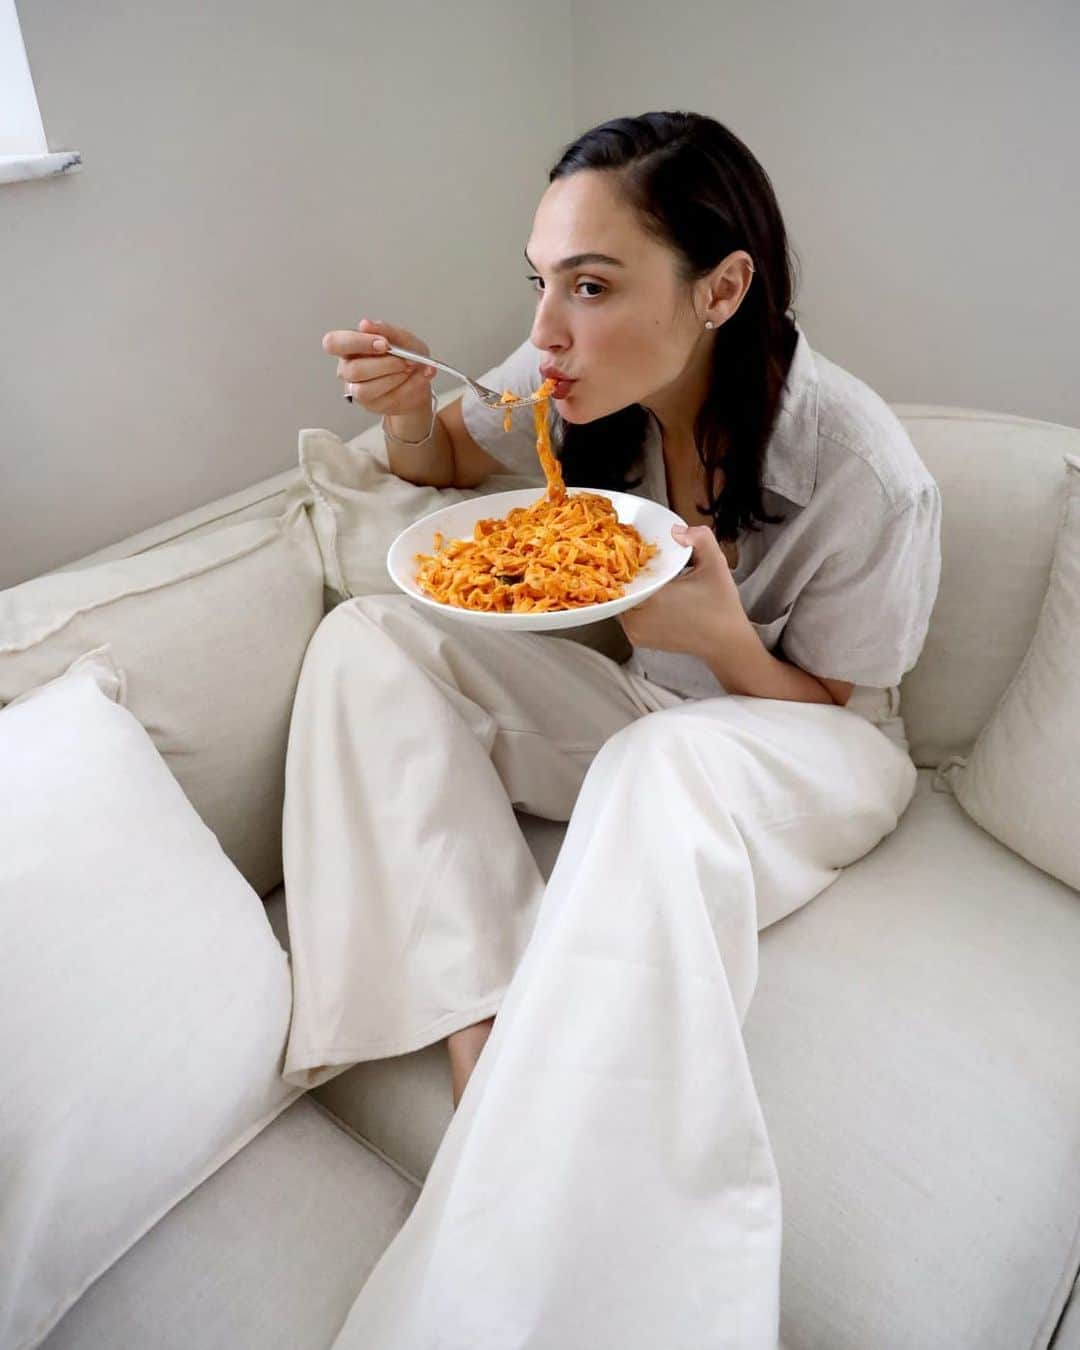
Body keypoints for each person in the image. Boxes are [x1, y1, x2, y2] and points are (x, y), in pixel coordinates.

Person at [288, 110, 942, 1349]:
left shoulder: (866, 467)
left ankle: (606, 1237)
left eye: (590, 285)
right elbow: (438, 472)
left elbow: (842, 708)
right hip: (659, 716)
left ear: (722, 288)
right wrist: (411, 397)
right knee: (370, 641)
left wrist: (720, 640)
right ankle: (486, 1043)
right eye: (540, 282)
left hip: (818, 744)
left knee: (660, 756)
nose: (545, 330)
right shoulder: (564, 378)